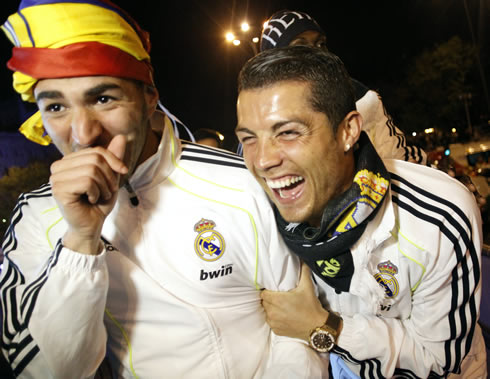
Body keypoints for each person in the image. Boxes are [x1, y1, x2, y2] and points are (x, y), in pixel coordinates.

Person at [0, 1, 328, 377]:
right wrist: (80, 240)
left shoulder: (242, 182)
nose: (83, 133)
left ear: (149, 97)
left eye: (103, 98)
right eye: (56, 107)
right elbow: (55, 371)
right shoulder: (33, 218)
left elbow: (296, 331)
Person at [235, 46, 486, 377]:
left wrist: (325, 328)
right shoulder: (251, 215)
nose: (264, 160)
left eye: (288, 133)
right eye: (249, 139)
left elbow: (439, 360)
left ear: (348, 131)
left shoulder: (438, 215)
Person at [259, 10, 426, 165]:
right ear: (275, 61)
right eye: (300, 46)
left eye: (320, 43)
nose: (316, 52)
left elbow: (399, 160)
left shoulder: (358, 98)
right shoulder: (258, 112)